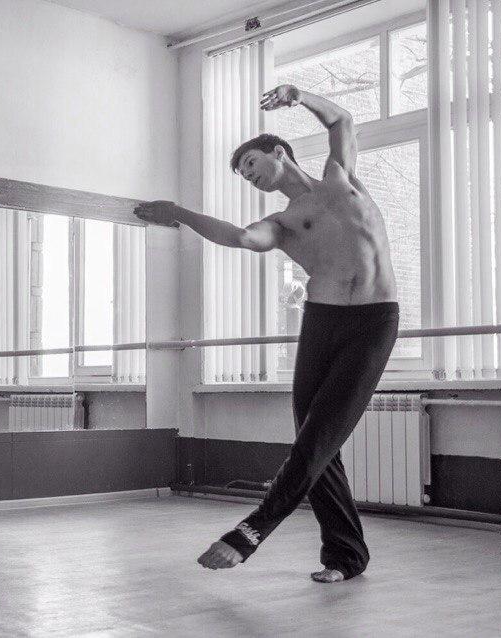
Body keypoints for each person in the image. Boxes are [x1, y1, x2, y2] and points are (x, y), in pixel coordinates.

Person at [134, 85, 399, 583]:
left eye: (251, 164)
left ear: (278, 151)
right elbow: (240, 236)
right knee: (316, 441)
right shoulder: (282, 223)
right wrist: (178, 213)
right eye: (243, 174)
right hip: (321, 322)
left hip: (373, 321)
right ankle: (346, 556)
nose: (250, 176)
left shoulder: (340, 178)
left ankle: (251, 531)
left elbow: (342, 121)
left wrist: (299, 96)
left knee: (319, 438)